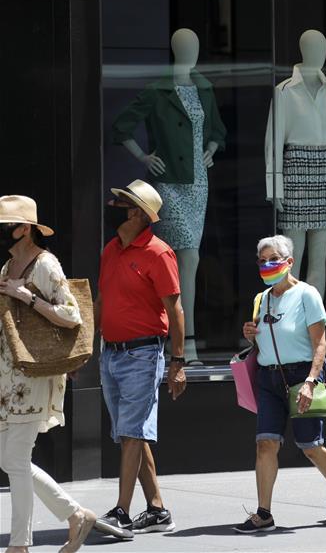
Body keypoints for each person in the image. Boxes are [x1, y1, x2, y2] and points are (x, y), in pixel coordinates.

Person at [233, 235, 326, 532]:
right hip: (268, 377)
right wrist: (251, 334)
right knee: (265, 444)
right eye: (262, 261)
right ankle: (264, 512)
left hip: (301, 375)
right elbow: (265, 341)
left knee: (310, 446)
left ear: (289, 262)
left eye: (273, 259)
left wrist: (311, 381)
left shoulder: (306, 294)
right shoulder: (261, 299)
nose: (267, 265)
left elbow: (320, 343)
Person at [0, 196, 96, 553]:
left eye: (5, 225)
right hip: (7, 375)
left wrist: (27, 297)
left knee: (15, 460)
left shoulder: (45, 264)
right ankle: (76, 515)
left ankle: (19, 545)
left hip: (35, 374)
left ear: (24, 228)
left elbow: (72, 316)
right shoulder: (7, 266)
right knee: (10, 460)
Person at [93, 180, 187, 539]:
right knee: (131, 433)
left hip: (144, 354)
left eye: (119, 204)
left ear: (137, 213)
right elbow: (101, 301)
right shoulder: (111, 250)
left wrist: (178, 362)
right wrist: (85, 348)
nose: (111, 207)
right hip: (111, 353)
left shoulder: (159, 253)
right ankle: (158, 510)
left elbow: (175, 310)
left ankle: (121, 512)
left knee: (132, 432)